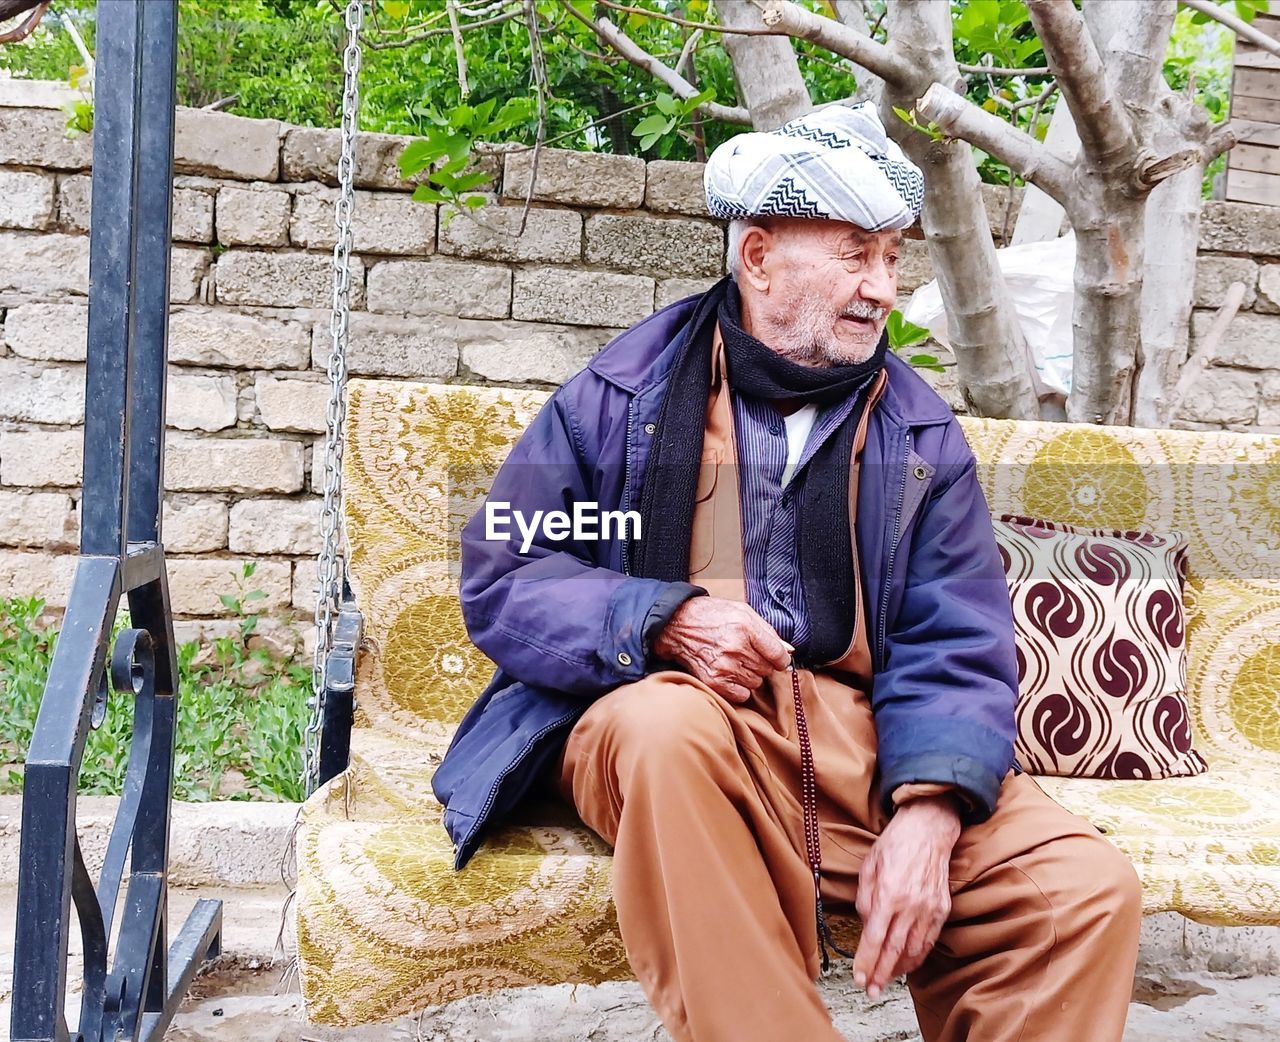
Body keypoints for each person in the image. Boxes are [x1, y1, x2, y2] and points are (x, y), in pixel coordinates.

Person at [432, 102, 1142, 1042]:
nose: (883, 288)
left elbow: (956, 638)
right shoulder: (618, 400)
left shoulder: (919, 438)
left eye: (893, 258)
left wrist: (930, 809)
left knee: (1081, 891)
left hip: (853, 744)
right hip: (658, 720)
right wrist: (663, 619)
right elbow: (509, 569)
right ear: (759, 257)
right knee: (667, 725)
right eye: (855, 254)